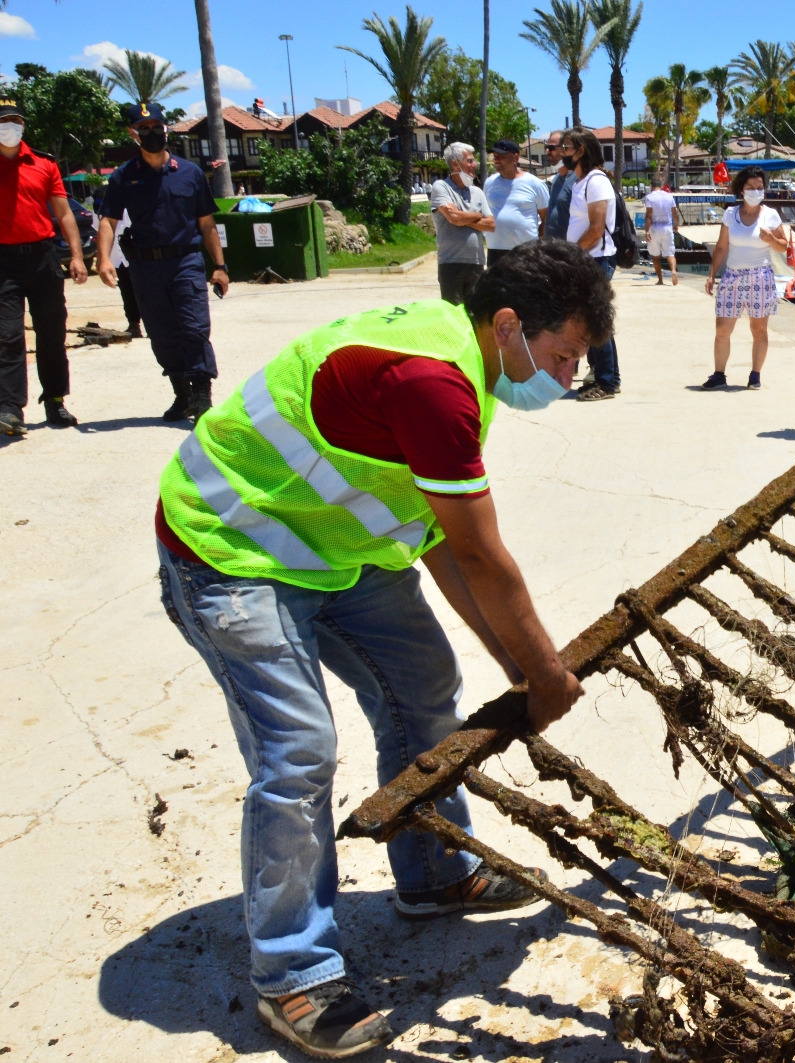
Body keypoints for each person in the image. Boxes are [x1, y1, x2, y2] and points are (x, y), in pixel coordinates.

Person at [154, 241, 609, 1059]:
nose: (567, 379)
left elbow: (437, 532)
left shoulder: (469, 360)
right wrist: (541, 669)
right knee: (299, 750)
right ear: (508, 325)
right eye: (563, 357)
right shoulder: (433, 380)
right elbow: (479, 553)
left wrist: (514, 660)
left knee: (425, 683)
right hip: (229, 551)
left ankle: (434, 874)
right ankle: (293, 971)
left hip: (331, 551)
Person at [95, 102, 228, 422]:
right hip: (145, 267)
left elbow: (206, 222)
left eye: (156, 126)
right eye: (144, 129)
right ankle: (181, 394)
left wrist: (220, 267)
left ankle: (201, 396)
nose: (152, 133)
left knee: (194, 327)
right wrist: (103, 260)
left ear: (165, 128)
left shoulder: (190, 173)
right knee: (162, 332)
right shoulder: (124, 177)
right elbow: (108, 221)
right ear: (133, 133)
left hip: (185, 261)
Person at [0, 92, 88, 434]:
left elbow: (64, 213)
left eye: (15, 121)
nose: (9, 126)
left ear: (23, 125)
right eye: (3, 121)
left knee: (51, 333)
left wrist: (77, 256)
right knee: (7, 336)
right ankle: (10, 409)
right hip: (3, 262)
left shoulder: (44, 163)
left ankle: (55, 401)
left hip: (43, 257)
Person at [699, 167, 787, 391]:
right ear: (741, 189)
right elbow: (721, 247)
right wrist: (711, 274)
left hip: (760, 276)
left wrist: (770, 239)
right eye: (750, 187)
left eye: (759, 187)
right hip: (732, 276)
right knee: (722, 329)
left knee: (759, 329)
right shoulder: (730, 214)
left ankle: (755, 374)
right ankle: (719, 374)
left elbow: (784, 246)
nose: (755, 191)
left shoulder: (770, 215)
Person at [565, 128, 620, 402]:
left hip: (596, 259)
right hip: (587, 260)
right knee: (592, 321)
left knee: (596, 322)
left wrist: (571, 254)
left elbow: (596, 228)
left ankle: (608, 382)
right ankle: (605, 377)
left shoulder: (596, 181)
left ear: (581, 151)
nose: (563, 152)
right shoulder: (580, 181)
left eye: (567, 147)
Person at [430, 142, 495, 305]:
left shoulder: (477, 192)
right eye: (470, 161)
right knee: (454, 315)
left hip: (477, 264)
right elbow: (454, 218)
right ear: (455, 163)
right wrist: (477, 215)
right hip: (451, 264)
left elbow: (491, 225)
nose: (475, 165)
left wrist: (464, 218)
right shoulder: (441, 187)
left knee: (476, 315)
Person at [483, 139, 547, 266]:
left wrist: (538, 242)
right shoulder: (489, 182)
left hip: (525, 251)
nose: (497, 160)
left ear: (515, 158)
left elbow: (546, 217)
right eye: (495, 157)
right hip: (495, 250)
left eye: (501, 156)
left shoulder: (534, 183)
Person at [643, 176, 682, 285]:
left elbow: (649, 215)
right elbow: (675, 213)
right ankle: (673, 271)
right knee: (670, 254)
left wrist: (646, 231)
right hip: (667, 228)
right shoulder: (669, 196)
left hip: (655, 228)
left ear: (651, 186)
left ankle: (660, 280)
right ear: (660, 186)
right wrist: (676, 225)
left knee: (655, 256)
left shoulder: (649, 197)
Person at [544, 131, 574, 243]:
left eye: (551, 148)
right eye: (546, 147)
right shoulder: (556, 179)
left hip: (569, 250)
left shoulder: (577, 180)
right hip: (553, 249)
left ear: (564, 149)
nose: (547, 151)